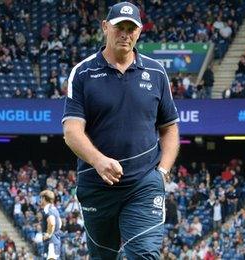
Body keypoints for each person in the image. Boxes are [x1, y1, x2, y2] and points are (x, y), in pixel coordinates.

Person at [62, 2, 180, 259]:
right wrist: (99, 161)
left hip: (143, 184)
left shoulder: (156, 72)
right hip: (97, 186)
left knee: (144, 255)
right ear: (105, 27)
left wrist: (162, 172)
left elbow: (169, 129)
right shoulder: (82, 73)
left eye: (131, 28)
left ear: (139, 32)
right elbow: (71, 131)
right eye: (119, 27)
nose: (125, 34)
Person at [40, 190, 62, 260]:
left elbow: (52, 222)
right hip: (55, 241)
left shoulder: (47, 209)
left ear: (44, 199)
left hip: (51, 242)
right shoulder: (54, 208)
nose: (40, 200)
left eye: (41, 198)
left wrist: (48, 234)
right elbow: (60, 223)